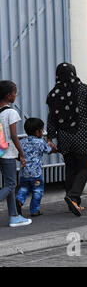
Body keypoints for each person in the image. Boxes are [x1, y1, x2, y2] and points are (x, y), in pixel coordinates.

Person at [46, 62, 87, 217]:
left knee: (71, 168)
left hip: (64, 137)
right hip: (82, 135)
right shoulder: (83, 89)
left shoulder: (53, 94)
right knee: (86, 166)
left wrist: (50, 138)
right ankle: (73, 197)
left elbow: (51, 118)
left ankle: (73, 202)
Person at [0, 80, 32, 227]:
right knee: (11, 184)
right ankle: (14, 216)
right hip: (7, 154)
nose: (15, 95)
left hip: (1, 152)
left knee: (9, 185)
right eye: (14, 93)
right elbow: (14, 136)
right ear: (8, 95)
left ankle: (14, 216)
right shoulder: (11, 112)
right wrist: (22, 153)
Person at [16, 118, 57, 217]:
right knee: (37, 191)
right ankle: (34, 210)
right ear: (38, 131)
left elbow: (18, 156)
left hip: (24, 172)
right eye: (42, 130)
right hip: (36, 174)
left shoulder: (22, 142)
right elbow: (49, 151)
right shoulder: (40, 142)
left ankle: (19, 200)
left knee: (24, 188)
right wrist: (53, 148)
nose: (42, 133)